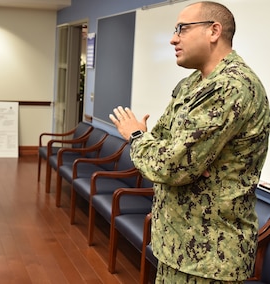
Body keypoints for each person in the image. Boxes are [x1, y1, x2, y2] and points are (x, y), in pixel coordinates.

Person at [109, 1, 270, 283]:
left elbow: (171, 166)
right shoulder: (193, 84)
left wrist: (137, 138)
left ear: (214, 31)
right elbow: (164, 145)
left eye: (182, 29)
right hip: (176, 243)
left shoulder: (231, 86)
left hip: (211, 258)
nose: (173, 38)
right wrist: (175, 158)